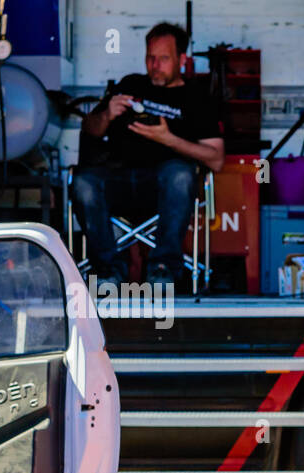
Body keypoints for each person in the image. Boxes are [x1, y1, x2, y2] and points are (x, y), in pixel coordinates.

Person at [71, 22, 224, 287]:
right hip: (117, 181)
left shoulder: (197, 98)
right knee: (84, 181)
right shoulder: (131, 84)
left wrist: (169, 140)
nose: (155, 65)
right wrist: (107, 114)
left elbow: (216, 159)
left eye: (164, 58)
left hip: (163, 190)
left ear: (182, 59)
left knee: (179, 174)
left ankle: (163, 268)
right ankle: (108, 271)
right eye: (150, 58)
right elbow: (89, 129)